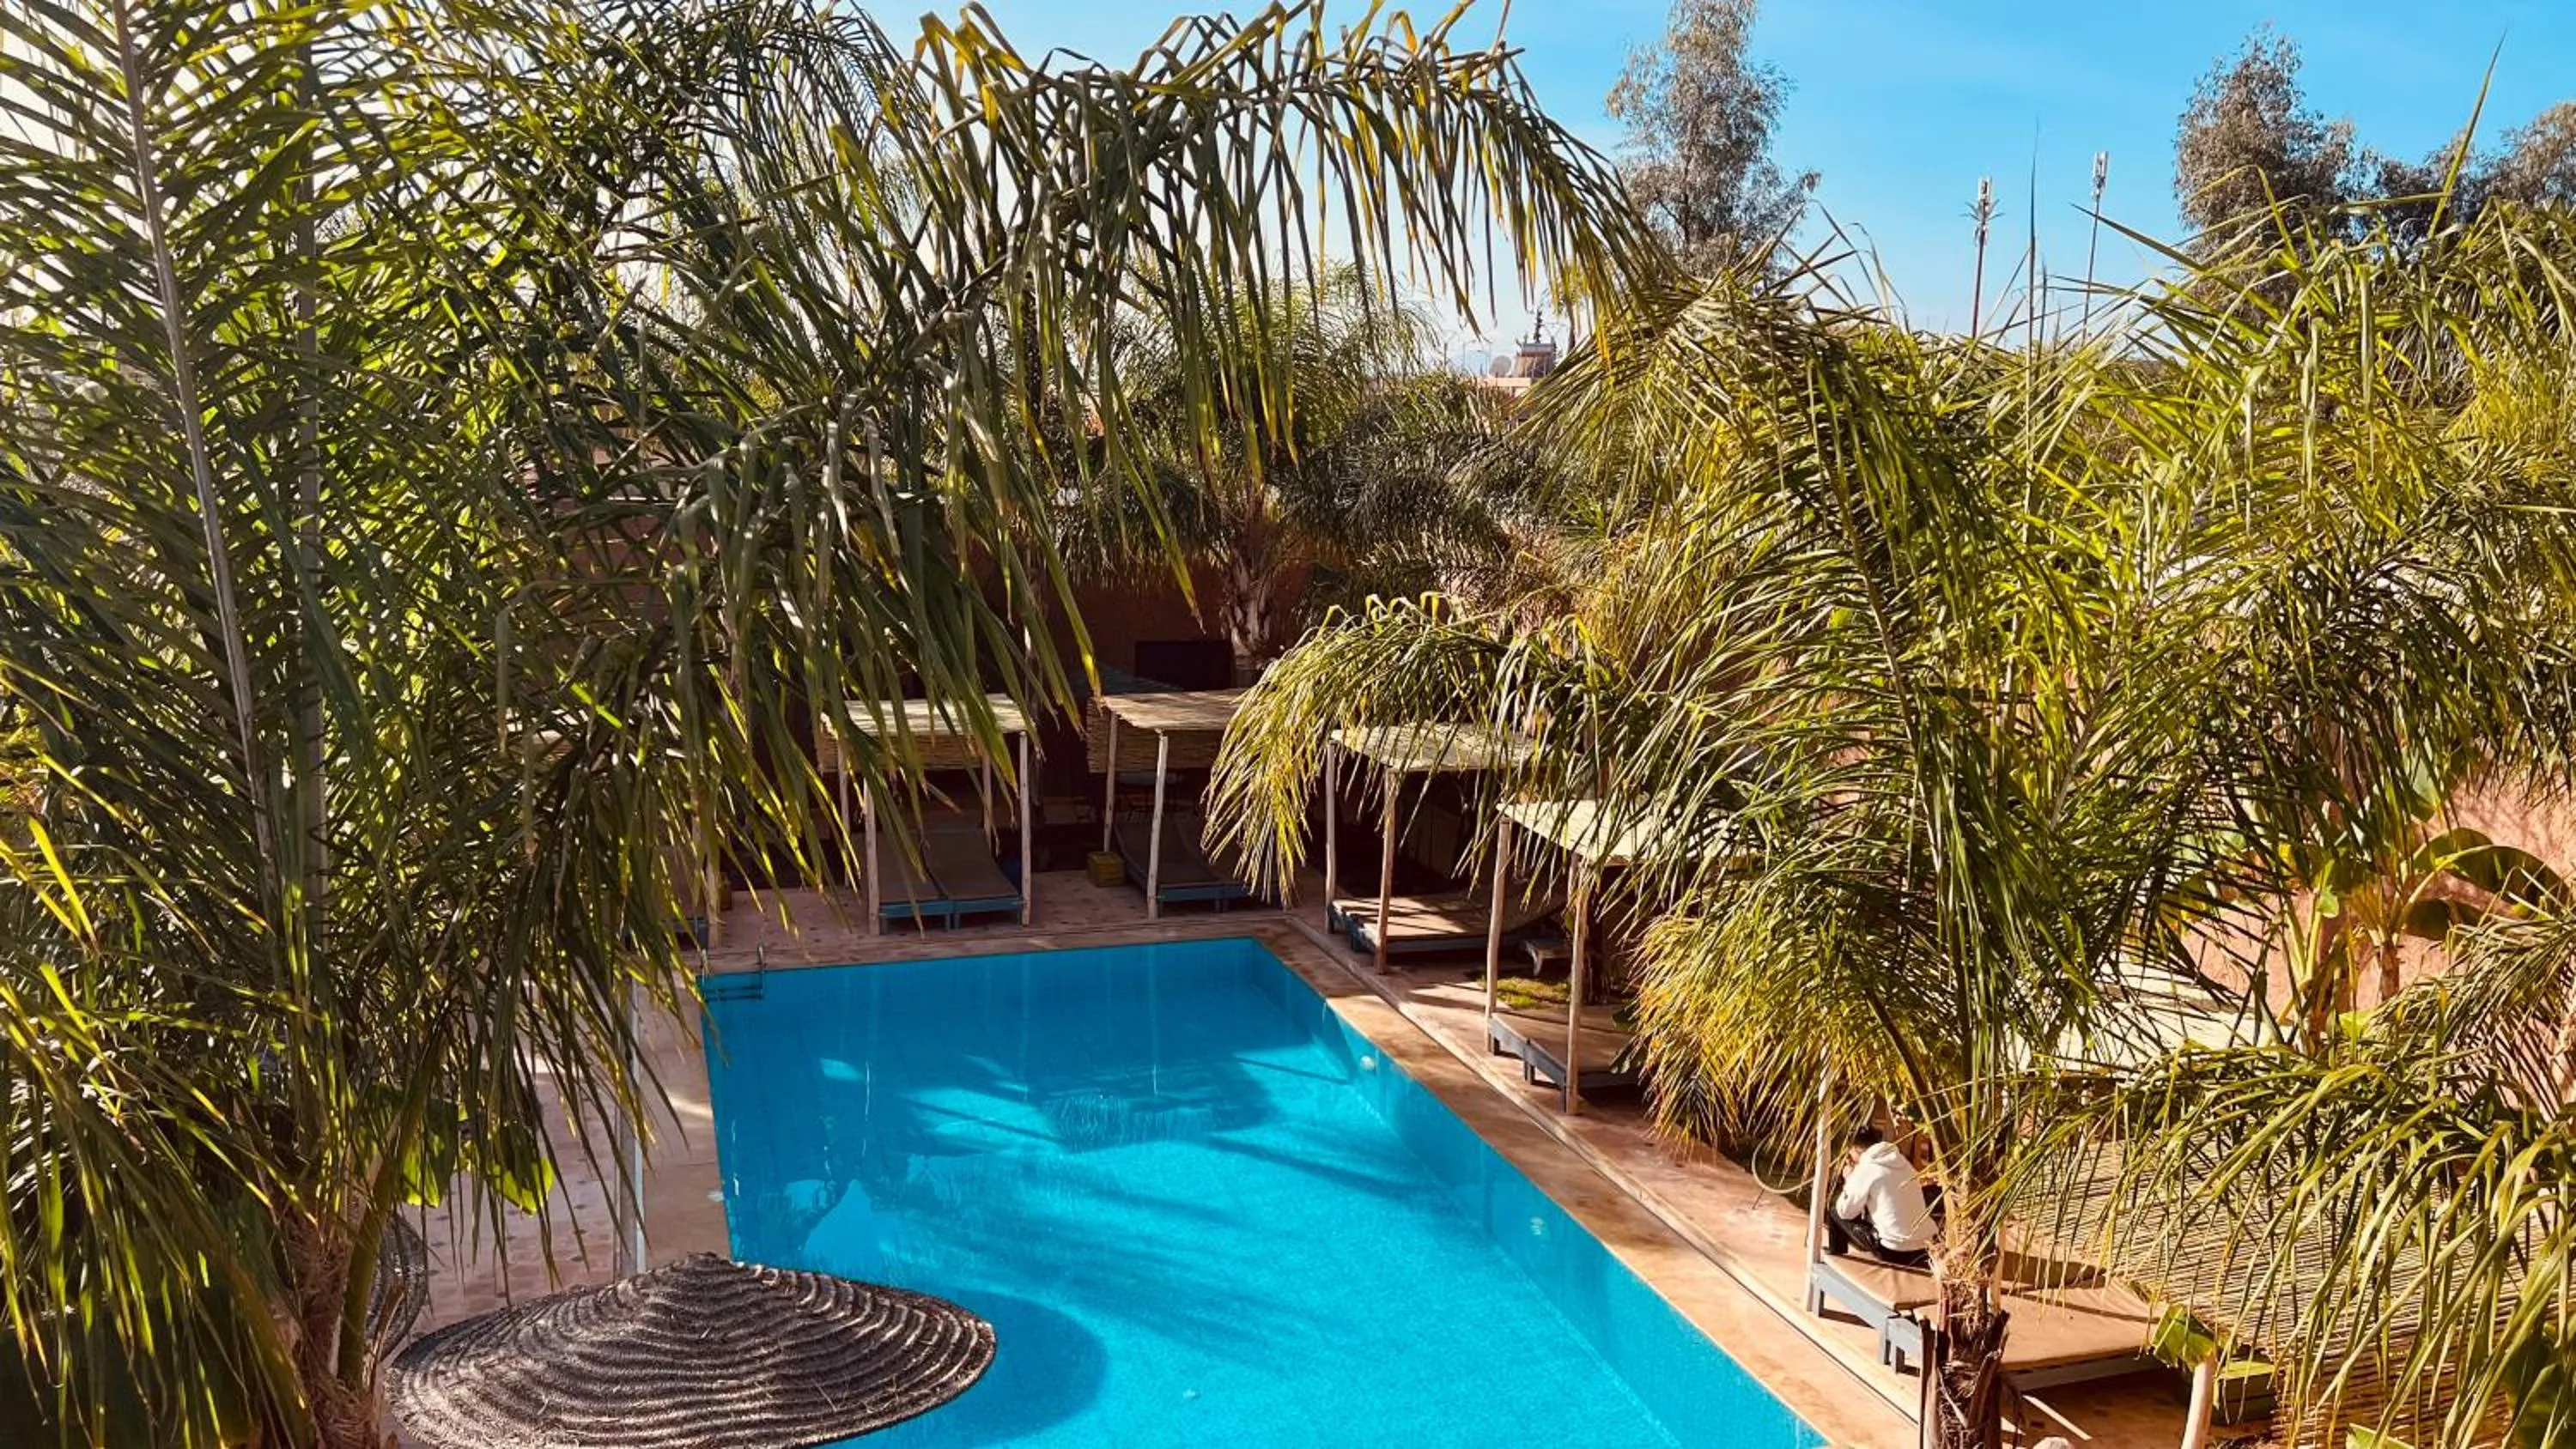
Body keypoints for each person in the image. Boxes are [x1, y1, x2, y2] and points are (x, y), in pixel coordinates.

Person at [1825, 1125, 1936, 1269]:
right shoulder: (1903, 1163)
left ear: (1854, 1149)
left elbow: (1846, 1212)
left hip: (1894, 1250)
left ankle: (1837, 1259)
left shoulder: (1866, 1168)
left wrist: (1849, 1179)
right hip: (1923, 1247)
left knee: (1835, 1212)